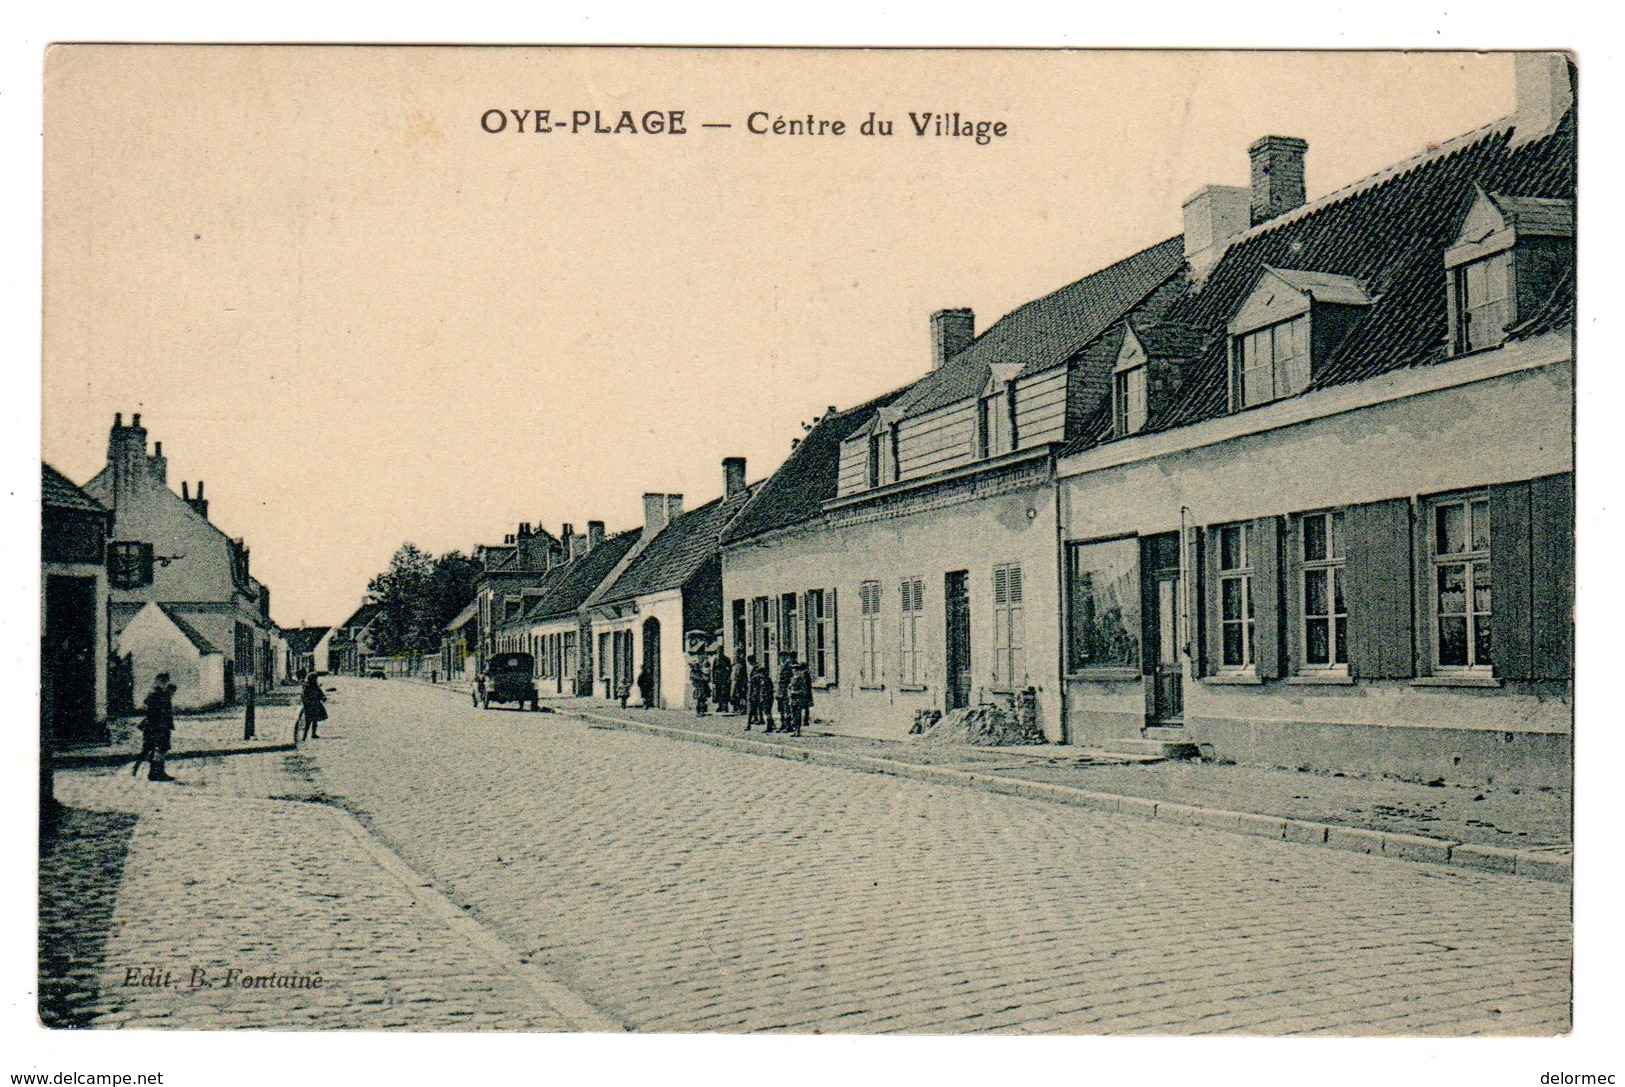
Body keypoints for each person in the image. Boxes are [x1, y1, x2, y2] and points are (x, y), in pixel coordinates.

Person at [135, 672, 177, 782]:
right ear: (157, 681)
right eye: (162, 681)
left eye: (166, 681)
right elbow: (151, 711)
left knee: (160, 749)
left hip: (162, 725)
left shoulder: (161, 693)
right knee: (160, 749)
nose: (164, 683)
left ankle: (155, 772)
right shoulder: (155, 693)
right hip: (157, 726)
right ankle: (156, 773)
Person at [788, 661, 814, 737]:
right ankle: (795, 730)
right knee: (793, 715)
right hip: (793, 699)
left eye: (795, 669)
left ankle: (797, 730)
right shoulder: (792, 679)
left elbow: (804, 690)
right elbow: (789, 688)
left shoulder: (801, 679)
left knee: (797, 715)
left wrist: (794, 692)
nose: (794, 671)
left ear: (799, 671)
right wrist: (790, 693)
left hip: (798, 699)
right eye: (793, 670)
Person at [750, 657, 776, 733]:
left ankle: (770, 727)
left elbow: (769, 690)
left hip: (767, 698)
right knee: (767, 712)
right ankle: (771, 725)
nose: (759, 674)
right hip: (764, 698)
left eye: (760, 673)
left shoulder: (766, 680)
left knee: (767, 712)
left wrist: (764, 697)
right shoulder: (763, 680)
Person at [301, 671, 328, 739]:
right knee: (308, 721)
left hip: (316, 704)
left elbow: (320, 692)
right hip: (309, 706)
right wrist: (307, 703)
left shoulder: (315, 685)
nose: (315, 680)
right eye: (314, 678)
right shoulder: (307, 687)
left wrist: (323, 697)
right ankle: (304, 736)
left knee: (315, 720)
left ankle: (313, 734)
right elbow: (304, 697)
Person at [776, 653, 797, 734]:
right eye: (781, 657)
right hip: (779, 690)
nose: (782, 658)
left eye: (784, 657)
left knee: (787, 708)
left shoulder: (789, 667)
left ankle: (789, 726)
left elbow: (791, 679)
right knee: (781, 708)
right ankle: (783, 724)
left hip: (786, 690)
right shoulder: (779, 667)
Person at [710, 647, 733, 715]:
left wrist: (728, 677)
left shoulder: (726, 659)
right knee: (718, 692)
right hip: (717, 678)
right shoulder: (716, 659)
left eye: (720, 651)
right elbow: (713, 670)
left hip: (724, 678)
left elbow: (729, 669)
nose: (719, 653)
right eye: (718, 652)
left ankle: (725, 707)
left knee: (724, 692)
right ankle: (720, 706)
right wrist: (713, 679)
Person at [731, 654, 749, 721]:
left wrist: (743, 685)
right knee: (734, 696)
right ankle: (736, 708)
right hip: (734, 682)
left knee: (741, 696)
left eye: (736, 659)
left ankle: (742, 709)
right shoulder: (733, 667)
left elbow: (744, 676)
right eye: (734, 659)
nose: (735, 660)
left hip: (740, 683)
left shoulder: (741, 667)